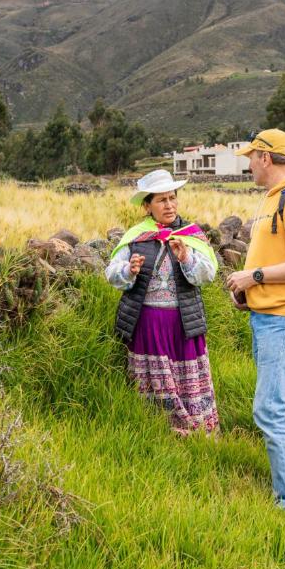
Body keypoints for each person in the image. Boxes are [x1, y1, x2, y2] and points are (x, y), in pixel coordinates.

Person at [225, 129, 285, 509]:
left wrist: (254, 278)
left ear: (266, 158)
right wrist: (251, 295)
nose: (249, 164)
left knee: (269, 408)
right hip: (271, 315)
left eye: (252, 157)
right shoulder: (275, 199)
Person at [105, 169, 220, 435]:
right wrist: (129, 271)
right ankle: (155, 430)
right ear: (147, 206)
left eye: (172, 198)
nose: (169, 205)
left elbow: (208, 275)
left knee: (185, 380)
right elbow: (112, 274)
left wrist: (186, 259)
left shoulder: (191, 235)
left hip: (183, 324)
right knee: (154, 381)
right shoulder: (136, 237)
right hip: (147, 324)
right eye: (161, 200)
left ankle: (198, 428)